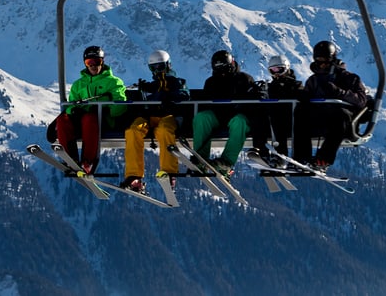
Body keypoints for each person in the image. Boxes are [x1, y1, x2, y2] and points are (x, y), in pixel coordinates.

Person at [292, 41, 368, 172]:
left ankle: (323, 159)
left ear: (333, 60)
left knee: (340, 116)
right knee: (300, 113)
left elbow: (361, 100)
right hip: (319, 120)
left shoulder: (350, 78)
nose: (322, 65)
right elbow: (306, 98)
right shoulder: (313, 80)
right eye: (318, 61)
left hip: (343, 123)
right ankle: (301, 158)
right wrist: (304, 97)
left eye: (325, 61)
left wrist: (339, 92)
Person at [122, 50, 189, 194]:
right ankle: (134, 175)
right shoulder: (151, 86)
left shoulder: (177, 82)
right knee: (133, 131)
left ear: (168, 65)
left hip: (169, 116)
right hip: (149, 117)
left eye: (161, 67)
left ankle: (169, 172)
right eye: (154, 68)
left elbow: (184, 95)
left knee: (164, 130)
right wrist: (143, 92)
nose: (158, 71)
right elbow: (143, 102)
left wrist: (168, 97)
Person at [54, 46, 128, 175]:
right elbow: (71, 105)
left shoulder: (114, 82)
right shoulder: (79, 84)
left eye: (96, 62)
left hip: (102, 120)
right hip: (82, 119)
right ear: (85, 64)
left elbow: (120, 106)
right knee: (63, 119)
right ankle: (71, 158)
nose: (93, 66)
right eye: (89, 63)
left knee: (90, 118)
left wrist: (106, 106)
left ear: (102, 62)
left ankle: (88, 161)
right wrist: (74, 110)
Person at [191, 50, 260, 180]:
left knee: (239, 122)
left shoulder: (244, 79)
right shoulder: (211, 82)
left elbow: (253, 101)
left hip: (237, 115)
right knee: (202, 117)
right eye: (218, 68)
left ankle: (226, 162)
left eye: (223, 67)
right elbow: (205, 102)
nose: (221, 72)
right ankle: (201, 158)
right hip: (218, 116)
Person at [249, 55, 301, 165]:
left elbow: (300, 99)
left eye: (279, 69)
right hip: (272, 119)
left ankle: (280, 156)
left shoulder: (296, 85)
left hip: (290, 120)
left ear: (286, 68)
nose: (276, 73)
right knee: (258, 117)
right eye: (272, 71)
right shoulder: (270, 87)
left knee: (277, 119)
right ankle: (261, 151)